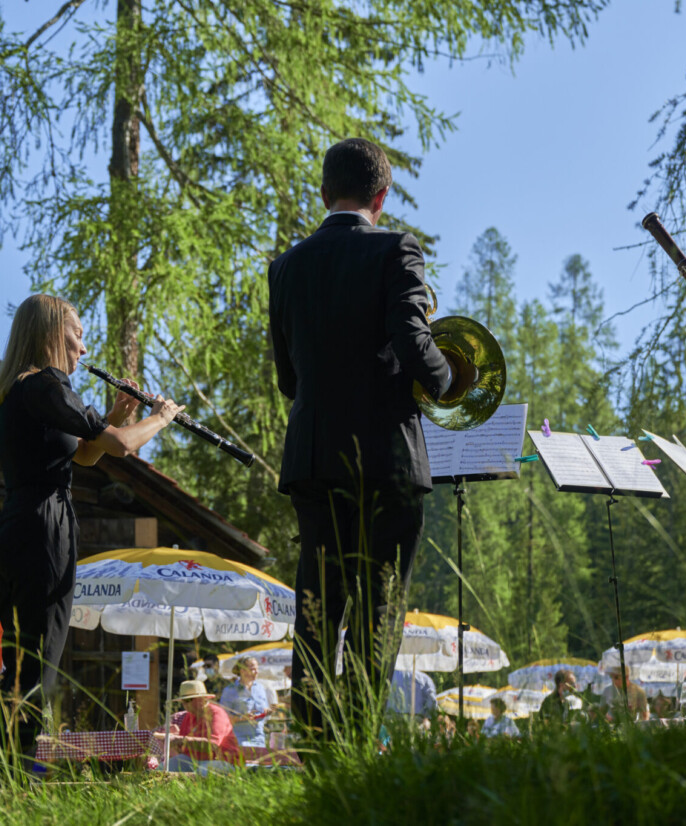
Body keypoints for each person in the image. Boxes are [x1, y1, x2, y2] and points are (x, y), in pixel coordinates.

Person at [269, 138, 469, 735]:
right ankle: (356, 739)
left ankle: (312, 743)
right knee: (379, 607)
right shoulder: (397, 248)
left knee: (318, 606)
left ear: (324, 193)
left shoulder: (285, 266)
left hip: (312, 457)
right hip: (384, 460)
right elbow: (413, 343)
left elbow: (288, 379)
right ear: (382, 197)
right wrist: (450, 380)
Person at [0, 294, 183, 750]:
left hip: (15, 529)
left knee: (22, 663)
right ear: (54, 334)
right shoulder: (46, 385)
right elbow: (120, 447)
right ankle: (13, 775)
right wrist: (160, 418)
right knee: (38, 663)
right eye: (77, 335)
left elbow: (86, 452)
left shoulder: (22, 388)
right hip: (41, 532)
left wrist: (114, 416)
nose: (83, 348)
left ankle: (2, 770)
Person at [160, 680, 241, 775]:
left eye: (188, 700)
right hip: (195, 761)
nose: (184, 705)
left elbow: (212, 745)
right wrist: (173, 742)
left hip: (225, 761)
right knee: (161, 769)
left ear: (202, 699)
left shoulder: (217, 714)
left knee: (200, 773)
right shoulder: (188, 716)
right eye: (183, 701)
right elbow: (184, 748)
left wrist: (179, 739)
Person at [220, 657, 274, 747]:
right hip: (239, 738)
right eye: (253, 669)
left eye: (257, 669)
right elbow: (223, 719)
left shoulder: (260, 688)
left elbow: (264, 711)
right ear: (242, 671)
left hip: (259, 738)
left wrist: (267, 712)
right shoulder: (230, 690)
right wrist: (242, 718)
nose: (256, 672)